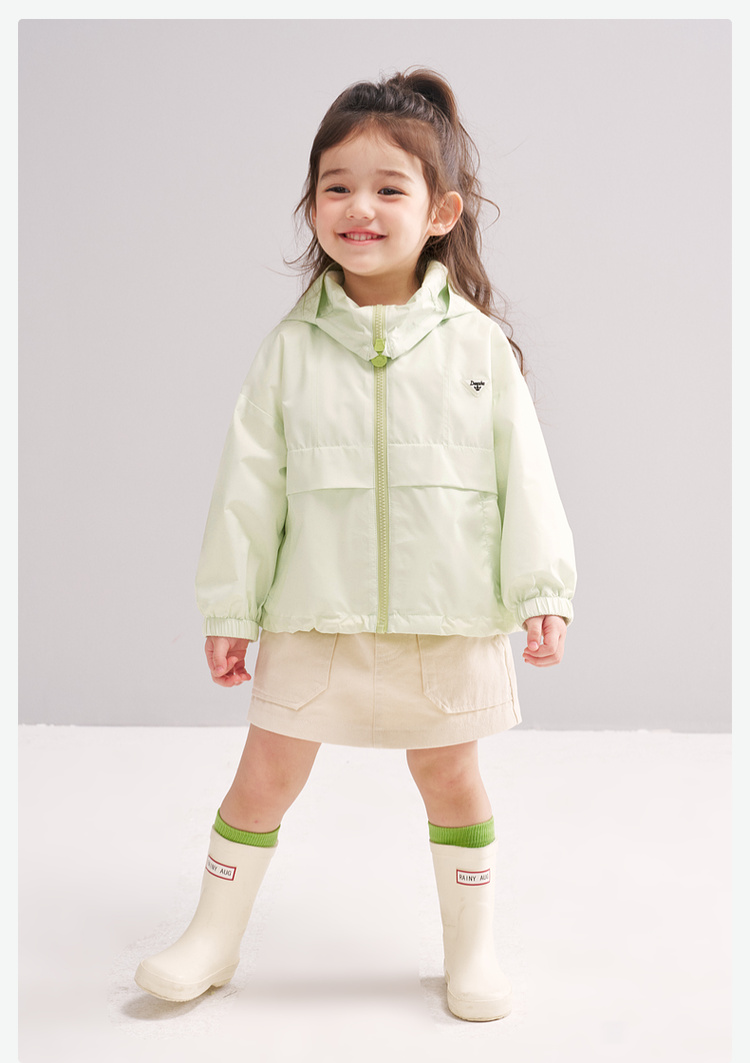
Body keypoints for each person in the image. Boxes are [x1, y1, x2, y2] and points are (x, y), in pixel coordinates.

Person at [135, 68, 576, 1023]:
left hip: (447, 615)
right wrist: (231, 605)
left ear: (441, 211)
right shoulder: (289, 350)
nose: (358, 207)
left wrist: (544, 591)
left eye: (388, 188)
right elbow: (248, 488)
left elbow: (526, 477)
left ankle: (473, 950)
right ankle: (211, 935)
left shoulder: (479, 349)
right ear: (312, 205)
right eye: (336, 186)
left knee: (451, 775)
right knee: (264, 774)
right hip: (315, 613)